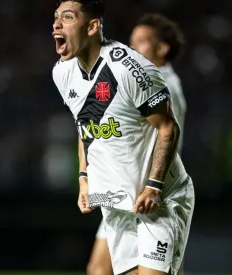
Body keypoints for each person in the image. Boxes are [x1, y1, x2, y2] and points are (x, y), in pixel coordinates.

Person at [51, 1, 195, 275]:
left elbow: (168, 128)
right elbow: (86, 128)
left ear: (93, 26)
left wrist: (153, 186)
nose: (56, 24)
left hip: (157, 201)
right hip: (116, 199)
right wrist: (84, 178)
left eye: (67, 17)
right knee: (97, 269)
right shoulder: (62, 73)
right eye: (56, 17)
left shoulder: (130, 68)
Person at [87, 13, 187, 275]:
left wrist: (154, 184)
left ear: (162, 48)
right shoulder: (136, 82)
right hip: (124, 191)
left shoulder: (165, 85)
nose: (133, 48)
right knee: (99, 269)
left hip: (149, 192)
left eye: (142, 41)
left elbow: (166, 135)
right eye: (132, 42)